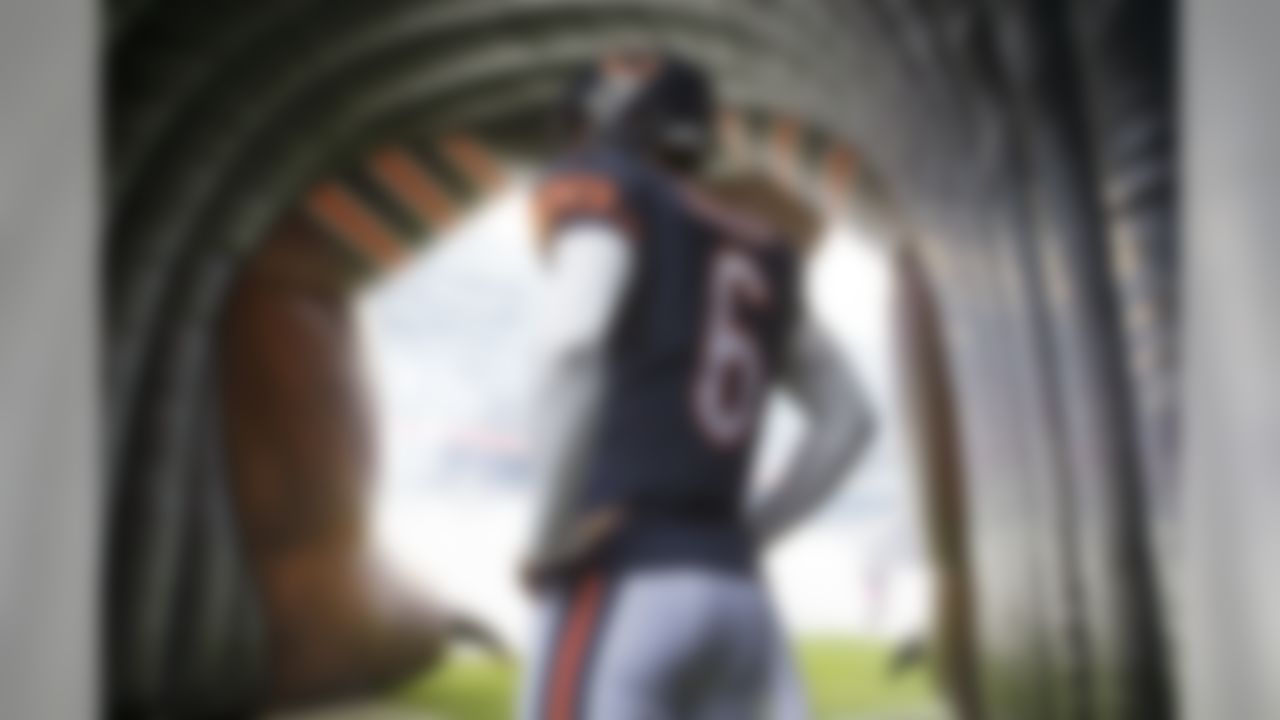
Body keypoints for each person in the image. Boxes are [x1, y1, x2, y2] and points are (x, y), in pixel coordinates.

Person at [518, 50, 876, 719]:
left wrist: (545, 541)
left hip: (621, 574)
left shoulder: (612, 191)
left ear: (617, 121)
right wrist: (753, 531)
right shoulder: (764, 246)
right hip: (735, 593)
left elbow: (572, 346)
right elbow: (850, 420)